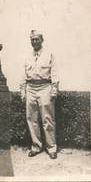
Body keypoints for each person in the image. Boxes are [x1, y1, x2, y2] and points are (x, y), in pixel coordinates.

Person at [20, 30, 59, 159]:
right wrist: (23, 91)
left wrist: (54, 90)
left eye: (37, 39)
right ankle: (36, 146)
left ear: (42, 40)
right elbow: (23, 76)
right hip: (31, 88)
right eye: (32, 39)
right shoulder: (27, 57)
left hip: (45, 87)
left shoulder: (49, 54)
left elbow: (54, 73)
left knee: (47, 119)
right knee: (32, 119)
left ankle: (51, 148)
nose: (34, 42)